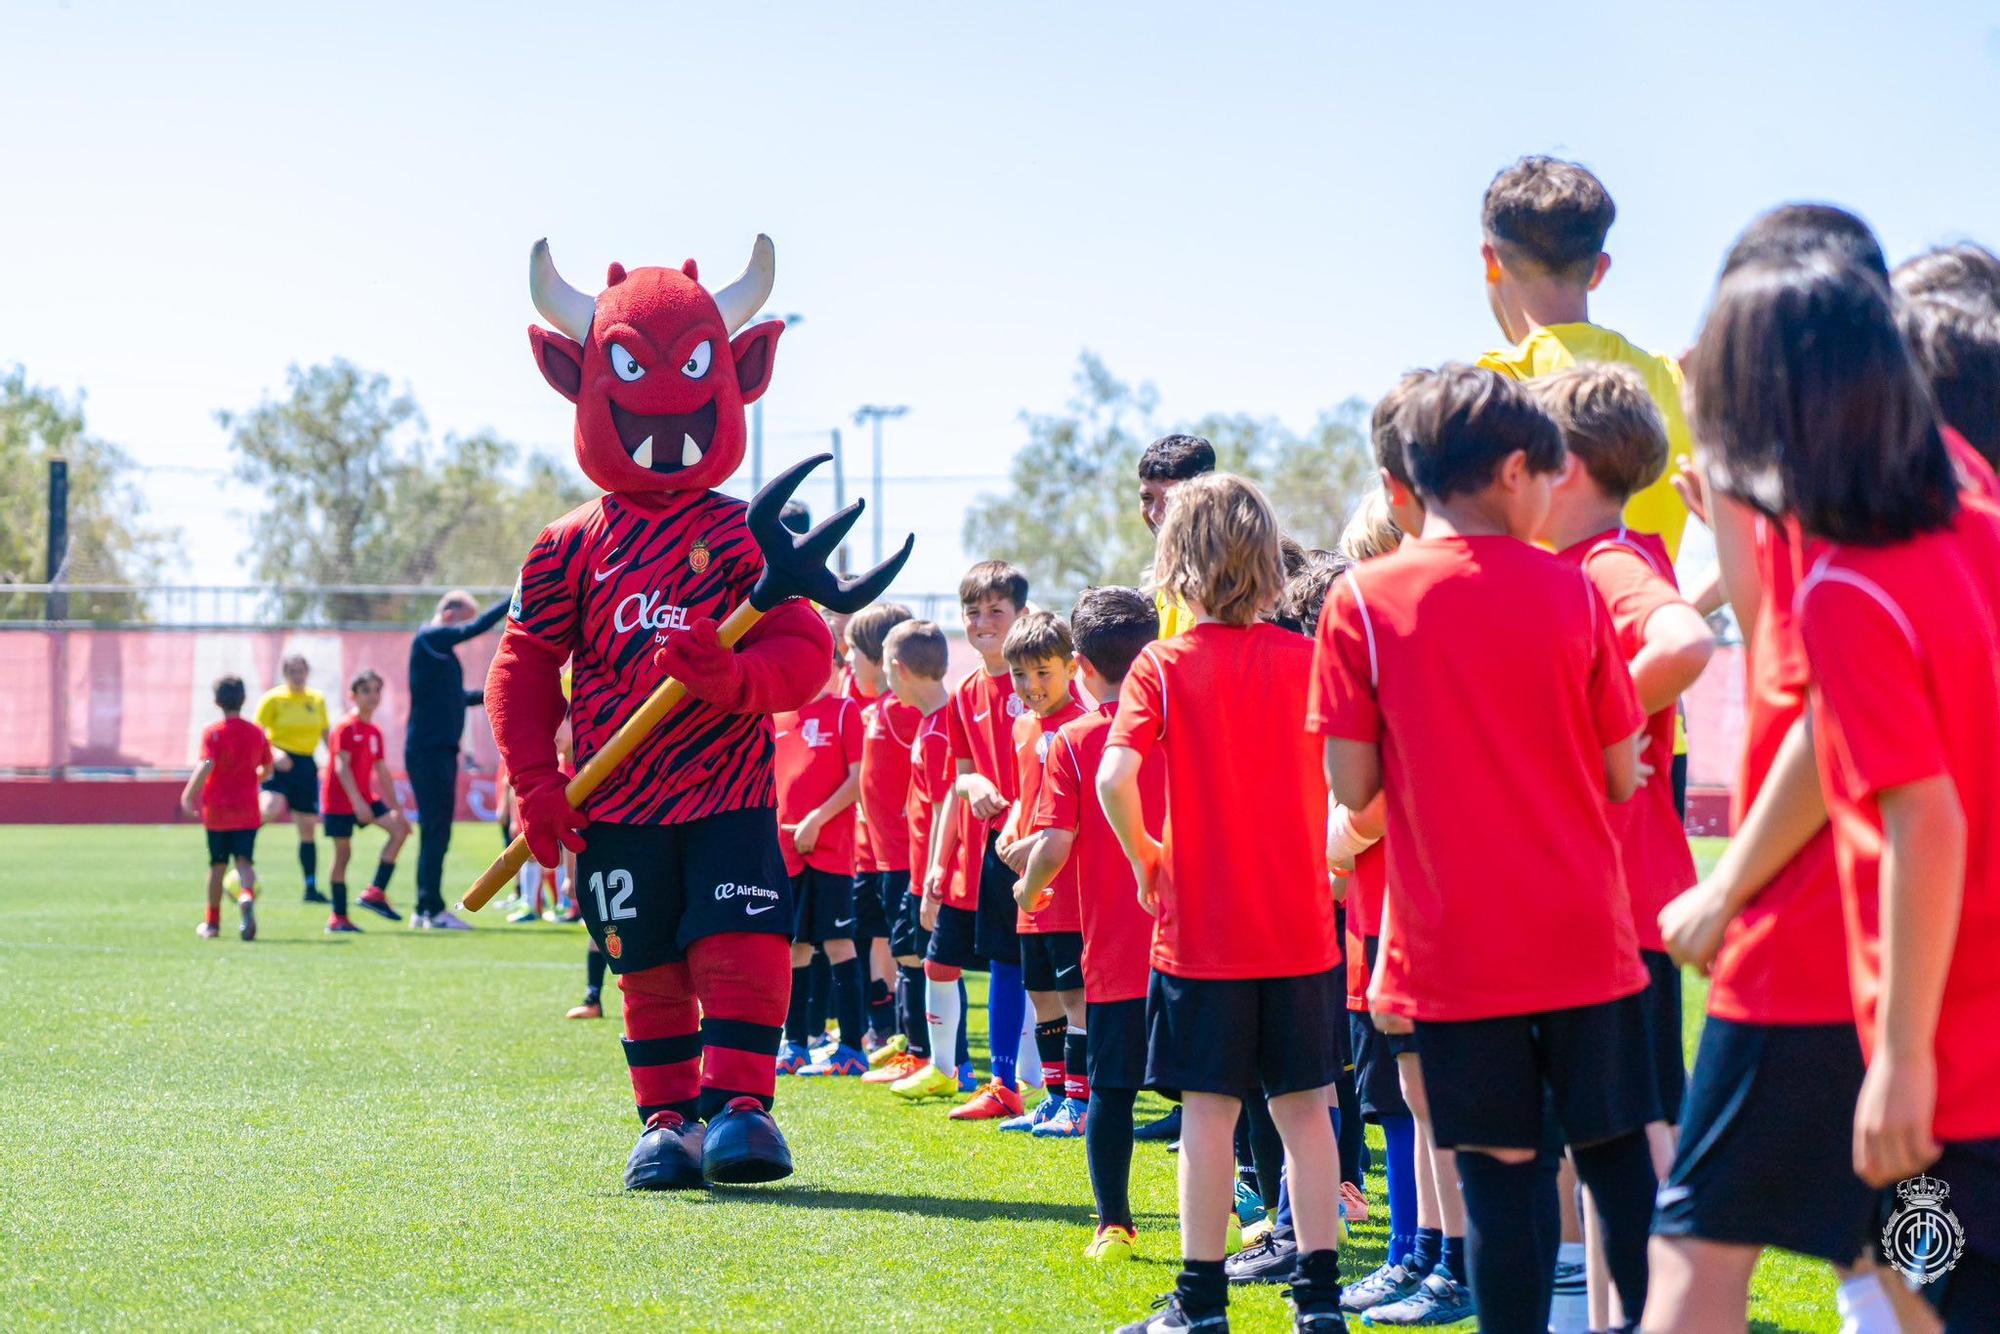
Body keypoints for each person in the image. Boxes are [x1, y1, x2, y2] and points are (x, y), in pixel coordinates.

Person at [1664, 250, 2000, 1330]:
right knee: (1917, 1256)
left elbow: (1885, 772)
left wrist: (1899, 1057)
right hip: (1928, 1002)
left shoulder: (1851, 555)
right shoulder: (1968, 519)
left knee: (1714, 1245)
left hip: (1888, 994)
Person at [1313, 366, 1658, 1333]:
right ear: (1517, 471)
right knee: (1618, 1168)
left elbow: (1352, 787)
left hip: (1453, 952)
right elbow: (1625, 774)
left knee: (1501, 1187)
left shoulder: (1362, 601)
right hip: (1586, 938)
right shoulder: (1576, 588)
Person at [1649, 206, 1901, 1334]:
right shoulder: (1918, 492)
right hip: (1894, 951)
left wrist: (1725, 885)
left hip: (1800, 937)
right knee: (1902, 1234)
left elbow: (1819, 708)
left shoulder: (1832, 503)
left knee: (1691, 1247)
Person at [1100, 473, 1345, 1333]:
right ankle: (1321, 1305)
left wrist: (1144, 858)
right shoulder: (1311, 662)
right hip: (1302, 929)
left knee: (1209, 1118)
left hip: (1201, 932)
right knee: (1308, 1114)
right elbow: (1359, 778)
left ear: (1176, 564)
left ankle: (1202, 1306)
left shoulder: (1161, 665)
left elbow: (1114, 776)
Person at [1533, 365, 1716, 1332]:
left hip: (1622, 902)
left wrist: (1581, 730)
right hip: (1587, 905)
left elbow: (1685, 643)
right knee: (1598, 1143)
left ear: (1560, 466)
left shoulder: (1606, 563)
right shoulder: (1574, 566)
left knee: (1635, 1141)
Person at [1011, 585, 1164, 1259]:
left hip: (1119, 951)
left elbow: (1054, 843)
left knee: (1113, 1092)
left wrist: (1027, 889)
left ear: (1080, 664)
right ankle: (1255, 1214)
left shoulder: (1072, 741)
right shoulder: (1186, 723)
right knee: (1230, 1094)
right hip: (1201, 943)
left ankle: (1115, 1225)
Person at [918, 560, 1034, 1122]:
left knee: (1061, 969)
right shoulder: (964, 691)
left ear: (1023, 615)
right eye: (973, 612)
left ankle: (1068, 1086)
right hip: (998, 848)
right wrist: (977, 782)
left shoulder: (1042, 677)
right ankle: (1006, 1082)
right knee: (1007, 961)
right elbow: (960, 775)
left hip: (1049, 839)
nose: (984, 622)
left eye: (997, 611)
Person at [998, 610, 1090, 1137]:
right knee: (1040, 992)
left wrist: (1035, 841)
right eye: (1020, 675)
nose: (1031, 686)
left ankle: (1081, 1102)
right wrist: (1011, 828)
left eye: (1043, 672)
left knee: (1075, 993)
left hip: (1070, 882)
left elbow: (1079, 816)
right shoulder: (1022, 727)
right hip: (1030, 888)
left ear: (1071, 667)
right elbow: (1022, 796)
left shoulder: (1082, 724)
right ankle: (1054, 1098)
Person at [876, 620, 971, 1094]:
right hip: (921, 869)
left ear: (898, 669)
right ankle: (935, 1059)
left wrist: (930, 877)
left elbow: (942, 810)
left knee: (936, 962)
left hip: (928, 872)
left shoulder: (938, 732)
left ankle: (946, 1064)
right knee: (926, 961)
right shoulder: (933, 723)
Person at [773, 655, 867, 1077]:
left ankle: (851, 1047)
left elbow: (856, 780)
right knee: (794, 946)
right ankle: (794, 1045)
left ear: (833, 665)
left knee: (838, 944)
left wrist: (816, 820)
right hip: (786, 851)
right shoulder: (779, 714)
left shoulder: (845, 710)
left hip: (830, 849)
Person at [404, 589, 507, 931]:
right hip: (429, 751)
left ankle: (425, 907)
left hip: (439, 750)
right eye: (463, 618)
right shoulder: (431, 637)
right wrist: (515, 598)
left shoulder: (439, 653)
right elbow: (474, 629)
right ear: (449, 614)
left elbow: (454, 698)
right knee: (436, 830)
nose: (463, 628)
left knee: (437, 831)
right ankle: (431, 909)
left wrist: (492, 692)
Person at [846, 602, 917, 1052]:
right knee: (870, 937)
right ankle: (881, 1029)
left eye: (854, 651)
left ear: (878, 657)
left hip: (899, 855)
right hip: (864, 852)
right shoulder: (870, 710)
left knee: (901, 946)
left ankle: (906, 1036)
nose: (848, 660)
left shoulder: (901, 711)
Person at [321, 669, 413, 933]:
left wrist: (397, 808)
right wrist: (357, 803)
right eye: (366, 691)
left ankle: (375, 892)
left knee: (401, 829)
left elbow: (382, 771)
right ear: (353, 696)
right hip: (340, 801)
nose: (373, 696)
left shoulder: (374, 731)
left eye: (376, 690)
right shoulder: (345, 727)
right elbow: (341, 766)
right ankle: (338, 917)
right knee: (343, 854)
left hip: (364, 798)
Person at [184, 675, 272, 942]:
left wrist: (189, 795)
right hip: (247, 810)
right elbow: (267, 769)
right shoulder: (256, 732)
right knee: (244, 863)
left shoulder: (214, 732)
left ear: (216, 701)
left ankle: (212, 924)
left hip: (218, 812)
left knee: (218, 867)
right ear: (244, 700)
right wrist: (251, 780)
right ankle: (246, 896)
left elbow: (207, 764)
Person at [254, 654, 328, 904]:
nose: (297, 676)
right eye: (292, 671)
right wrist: (274, 753)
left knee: (307, 828)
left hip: (306, 766)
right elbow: (257, 734)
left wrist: (337, 764)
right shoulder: (273, 699)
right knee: (269, 808)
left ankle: (311, 887)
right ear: (285, 674)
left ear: (307, 672)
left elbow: (327, 735)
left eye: (301, 671)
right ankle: (241, 846)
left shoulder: (316, 700)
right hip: (278, 764)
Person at [1139, 434, 1216, 642]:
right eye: (1147, 498)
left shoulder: (1234, 575)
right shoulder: (1170, 573)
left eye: (1171, 499)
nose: (1156, 512)